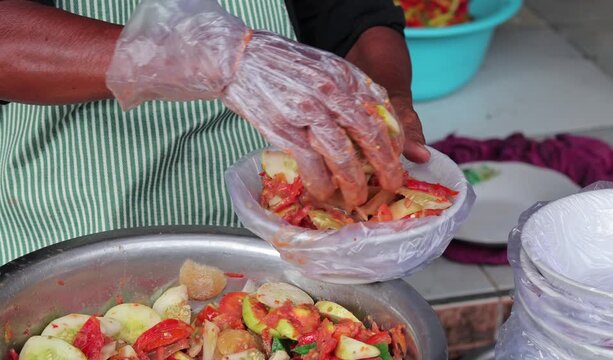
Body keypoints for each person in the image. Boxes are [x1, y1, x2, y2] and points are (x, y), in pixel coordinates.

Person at [0, 0, 430, 264]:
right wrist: (199, 56)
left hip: (278, 212)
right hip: (82, 213)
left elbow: (354, 16)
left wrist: (381, 99)